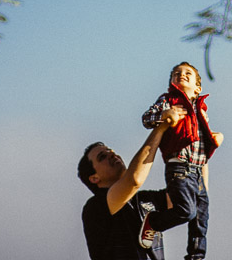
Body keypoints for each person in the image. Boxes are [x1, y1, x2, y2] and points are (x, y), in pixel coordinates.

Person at [139, 62, 224, 259]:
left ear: (198, 88)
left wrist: (215, 137)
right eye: (176, 74)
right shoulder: (169, 100)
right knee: (186, 211)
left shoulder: (201, 110)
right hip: (179, 167)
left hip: (198, 172)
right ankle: (154, 221)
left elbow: (200, 139)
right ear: (171, 82)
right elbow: (146, 118)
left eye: (188, 73)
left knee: (201, 219)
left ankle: (196, 257)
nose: (181, 75)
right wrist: (164, 115)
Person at [79, 104, 187, 260]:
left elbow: (190, 195)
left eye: (111, 151)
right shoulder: (96, 207)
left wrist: (197, 148)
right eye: (102, 157)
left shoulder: (146, 200)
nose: (112, 154)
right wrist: (161, 127)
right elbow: (135, 179)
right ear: (94, 178)